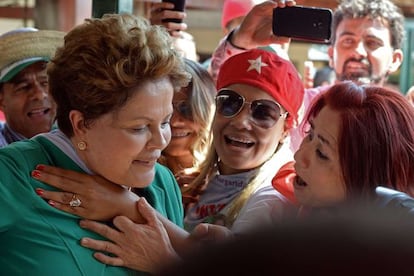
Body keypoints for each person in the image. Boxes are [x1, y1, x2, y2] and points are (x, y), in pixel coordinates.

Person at [0, 13, 190, 275]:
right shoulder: (13, 175)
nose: (160, 142)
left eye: (165, 121)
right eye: (139, 127)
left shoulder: (162, 183)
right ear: (80, 124)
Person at [210, 0, 405, 150]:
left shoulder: (405, 122)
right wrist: (242, 41)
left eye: (372, 43)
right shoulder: (302, 106)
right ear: (331, 54)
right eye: (347, 41)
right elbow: (221, 95)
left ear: (395, 59)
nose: (358, 52)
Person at [157, 58, 216, 206]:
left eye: (187, 109)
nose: (175, 121)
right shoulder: (136, 174)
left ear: (208, 111)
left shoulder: (223, 181)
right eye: (166, 110)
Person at [0, 27, 64, 147]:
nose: (39, 95)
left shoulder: (77, 140)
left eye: (45, 83)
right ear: (1, 99)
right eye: (23, 86)